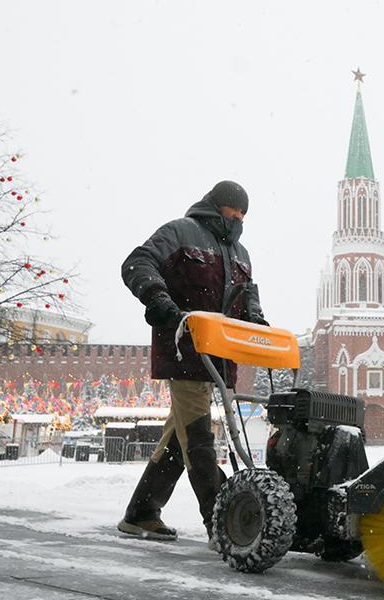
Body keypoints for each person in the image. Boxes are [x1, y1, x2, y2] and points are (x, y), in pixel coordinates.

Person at [116, 180, 267, 543]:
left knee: (178, 439)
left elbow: (247, 297)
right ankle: (223, 524)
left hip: (220, 357)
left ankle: (141, 513)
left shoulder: (240, 252)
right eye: (234, 212)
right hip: (183, 349)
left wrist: (257, 321)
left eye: (244, 215)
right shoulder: (181, 232)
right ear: (217, 207)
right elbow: (138, 262)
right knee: (199, 438)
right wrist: (157, 298)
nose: (239, 219)